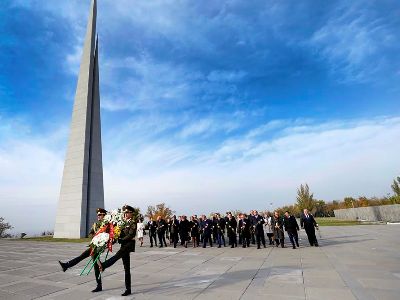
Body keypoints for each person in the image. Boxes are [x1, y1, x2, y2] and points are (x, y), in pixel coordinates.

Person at [58, 208, 107, 293]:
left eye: (100, 215)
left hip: (99, 247)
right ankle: (99, 284)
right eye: (98, 215)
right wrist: (94, 236)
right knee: (91, 262)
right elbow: (90, 233)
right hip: (94, 245)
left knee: (86, 259)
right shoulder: (96, 224)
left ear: (103, 215)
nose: (98, 216)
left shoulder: (106, 225)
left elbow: (108, 236)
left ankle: (67, 265)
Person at [99, 205, 137, 296]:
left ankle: (104, 265)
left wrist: (122, 239)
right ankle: (128, 289)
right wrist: (114, 238)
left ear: (131, 214)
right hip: (124, 245)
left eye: (127, 212)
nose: (126, 214)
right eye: (125, 212)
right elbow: (118, 233)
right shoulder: (122, 222)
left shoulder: (133, 222)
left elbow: (131, 234)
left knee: (117, 256)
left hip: (129, 245)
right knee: (126, 268)